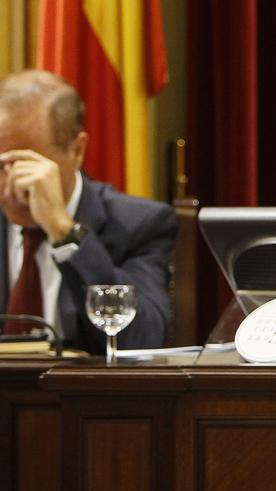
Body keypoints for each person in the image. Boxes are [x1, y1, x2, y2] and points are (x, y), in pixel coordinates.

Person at [0, 70, 175, 354]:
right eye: (0, 167)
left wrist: (64, 232)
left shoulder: (139, 225)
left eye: (26, 168)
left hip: (82, 396)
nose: (10, 189)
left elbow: (142, 341)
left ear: (77, 150)